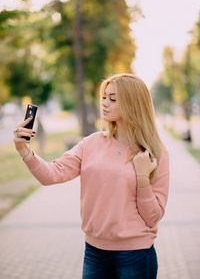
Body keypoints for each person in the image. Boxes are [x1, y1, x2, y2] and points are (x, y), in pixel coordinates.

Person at [13, 73, 169, 279]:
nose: (104, 103)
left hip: (135, 255)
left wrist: (142, 177)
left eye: (113, 99)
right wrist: (24, 150)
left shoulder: (155, 153)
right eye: (104, 97)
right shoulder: (91, 143)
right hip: (94, 252)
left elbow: (153, 217)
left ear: (133, 103)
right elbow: (51, 175)